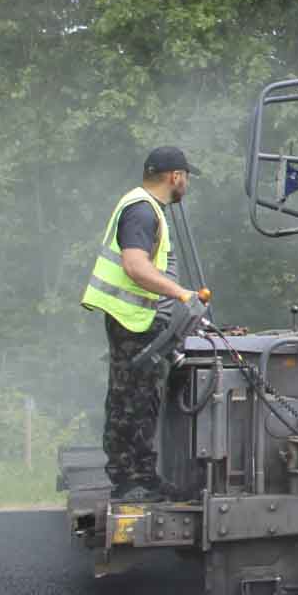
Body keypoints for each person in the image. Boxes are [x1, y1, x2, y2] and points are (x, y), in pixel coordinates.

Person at [79, 147, 207, 502]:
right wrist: (182, 294)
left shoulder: (143, 207)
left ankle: (139, 477)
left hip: (135, 318)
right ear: (175, 176)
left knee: (132, 398)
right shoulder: (142, 211)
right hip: (133, 320)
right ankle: (133, 481)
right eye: (187, 177)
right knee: (135, 399)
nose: (187, 184)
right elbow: (135, 266)